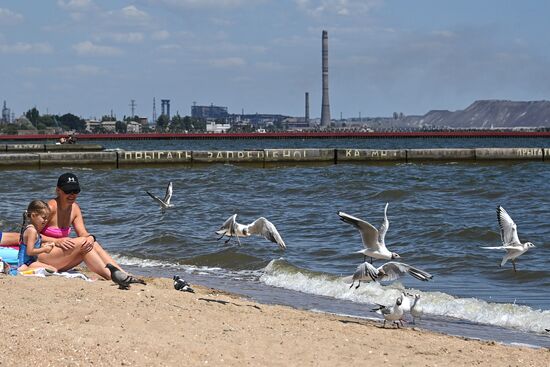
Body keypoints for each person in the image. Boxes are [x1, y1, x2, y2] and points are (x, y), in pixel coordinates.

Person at [37, 172, 123, 280]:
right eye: (68, 191)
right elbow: (30, 234)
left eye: (75, 191)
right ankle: (112, 276)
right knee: (83, 242)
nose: (72, 195)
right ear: (58, 190)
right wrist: (56, 241)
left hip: (59, 257)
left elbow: (83, 233)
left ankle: (122, 274)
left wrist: (91, 238)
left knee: (91, 243)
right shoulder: (50, 208)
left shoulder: (75, 208)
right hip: (41, 255)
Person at [17, 200, 56, 272]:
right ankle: (23, 269)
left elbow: (33, 246)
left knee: (52, 268)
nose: (46, 220)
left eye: (47, 218)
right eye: (44, 217)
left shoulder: (34, 230)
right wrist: (45, 249)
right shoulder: (32, 231)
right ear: (33, 215)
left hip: (30, 261)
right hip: (25, 263)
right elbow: (30, 252)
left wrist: (44, 245)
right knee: (53, 269)